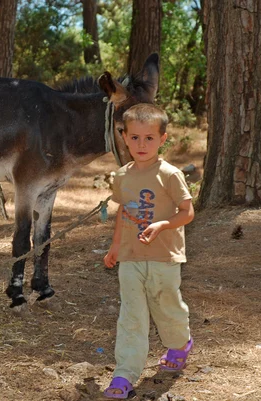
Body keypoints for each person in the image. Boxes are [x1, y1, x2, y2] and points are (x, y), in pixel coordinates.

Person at [102, 103, 195, 399]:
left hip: (164, 257)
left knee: (167, 306)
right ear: (124, 137)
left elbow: (187, 212)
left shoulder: (169, 174)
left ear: (162, 138)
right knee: (131, 315)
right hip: (130, 257)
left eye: (149, 138)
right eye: (135, 137)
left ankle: (180, 344)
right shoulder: (121, 176)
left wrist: (163, 225)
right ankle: (124, 374)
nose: (142, 145)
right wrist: (115, 245)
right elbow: (120, 213)